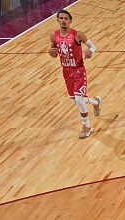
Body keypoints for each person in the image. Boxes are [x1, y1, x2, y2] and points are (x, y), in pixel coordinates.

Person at [47, 9, 101, 140]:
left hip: (78, 70)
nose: (63, 20)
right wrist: (50, 52)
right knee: (75, 101)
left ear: (70, 21)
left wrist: (90, 52)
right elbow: (54, 54)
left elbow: (93, 46)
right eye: (61, 18)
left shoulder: (77, 34)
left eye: (66, 18)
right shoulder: (54, 36)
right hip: (66, 71)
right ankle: (95, 101)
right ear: (57, 20)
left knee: (79, 99)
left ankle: (86, 126)